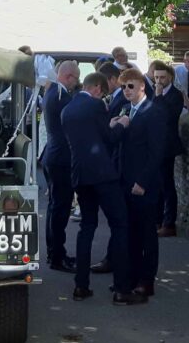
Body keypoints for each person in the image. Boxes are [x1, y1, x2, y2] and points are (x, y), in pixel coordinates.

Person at [60, 72, 143, 304]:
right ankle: (121, 289)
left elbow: (89, 136)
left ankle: (81, 285)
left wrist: (109, 124)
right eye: (103, 91)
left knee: (87, 227)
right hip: (103, 175)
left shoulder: (67, 109)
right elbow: (108, 138)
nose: (104, 95)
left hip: (80, 174)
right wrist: (122, 124)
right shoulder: (96, 105)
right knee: (120, 225)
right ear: (97, 88)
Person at [110, 68, 167, 296]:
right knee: (130, 233)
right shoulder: (127, 109)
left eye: (130, 86)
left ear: (142, 86)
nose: (126, 91)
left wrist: (142, 182)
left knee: (147, 235)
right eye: (123, 87)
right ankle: (130, 278)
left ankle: (147, 281)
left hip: (145, 184)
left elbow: (157, 152)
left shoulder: (154, 112)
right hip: (125, 181)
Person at [41, 60, 80, 272]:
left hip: (52, 156)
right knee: (60, 209)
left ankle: (55, 252)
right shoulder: (60, 97)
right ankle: (57, 256)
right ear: (68, 77)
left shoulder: (53, 92)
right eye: (76, 77)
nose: (78, 82)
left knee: (55, 207)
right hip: (61, 159)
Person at [150, 61, 184, 238]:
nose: (159, 80)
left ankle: (169, 223)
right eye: (156, 77)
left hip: (167, 145)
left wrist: (159, 96)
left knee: (167, 184)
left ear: (169, 77)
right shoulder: (156, 94)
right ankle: (157, 219)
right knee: (157, 183)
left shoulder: (175, 95)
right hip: (156, 145)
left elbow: (166, 117)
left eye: (162, 77)